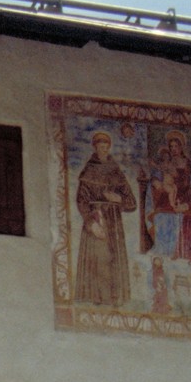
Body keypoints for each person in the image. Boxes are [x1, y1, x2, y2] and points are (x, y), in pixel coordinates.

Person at [73, 131, 136, 306]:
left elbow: (132, 202)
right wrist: (91, 222)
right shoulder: (89, 170)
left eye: (106, 147)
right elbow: (81, 200)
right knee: (99, 258)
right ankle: (98, 298)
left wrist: (118, 199)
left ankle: (114, 298)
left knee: (113, 258)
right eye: (100, 147)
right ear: (95, 147)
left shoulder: (115, 171)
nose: (103, 150)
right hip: (96, 218)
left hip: (114, 221)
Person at [145, 132, 191, 265]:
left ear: (182, 147)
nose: (174, 149)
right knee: (160, 217)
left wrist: (188, 206)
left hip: (185, 203)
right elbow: (155, 179)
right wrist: (155, 182)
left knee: (189, 219)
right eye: (171, 146)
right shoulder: (165, 163)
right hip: (166, 202)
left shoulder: (189, 166)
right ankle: (164, 256)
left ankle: (184, 259)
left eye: (176, 146)